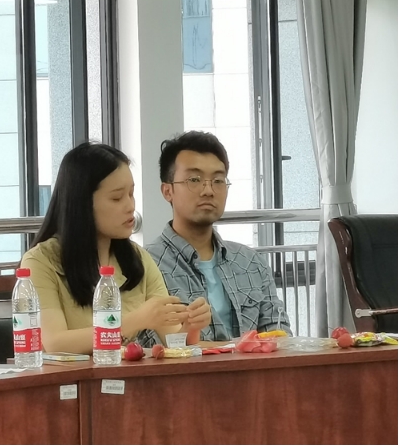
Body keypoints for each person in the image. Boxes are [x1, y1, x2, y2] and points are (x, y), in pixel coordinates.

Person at [20, 142, 211, 354]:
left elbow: (174, 341)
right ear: (82, 203)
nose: (130, 206)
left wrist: (191, 327)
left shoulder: (138, 259)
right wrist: (135, 320)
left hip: (124, 374)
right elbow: (55, 343)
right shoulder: (40, 262)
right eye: (117, 198)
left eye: (131, 194)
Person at [146, 131, 292, 341]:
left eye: (218, 180)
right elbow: (150, 346)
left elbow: (279, 333)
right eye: (194, 179)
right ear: (167, 191)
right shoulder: (147, 266)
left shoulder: (251, 262)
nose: (208, 190)